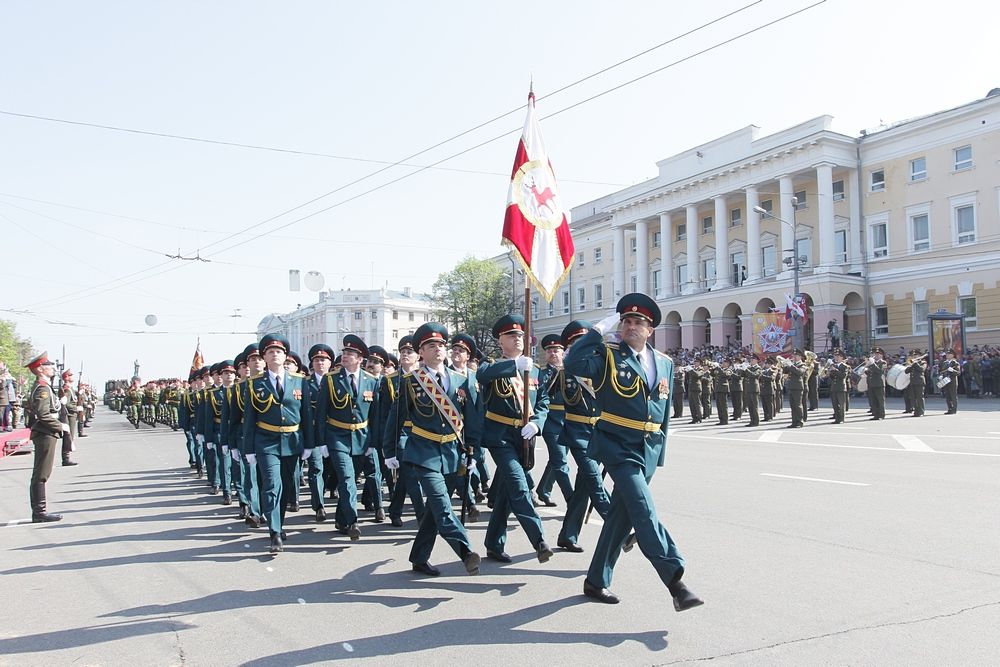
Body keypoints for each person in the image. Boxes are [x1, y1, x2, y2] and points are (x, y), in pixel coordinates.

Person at [565, 293, 702, 611]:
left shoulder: (665, 363)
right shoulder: (608, 354)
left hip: (648, 450)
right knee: (643, 510)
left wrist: (660, 454)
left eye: (638, 322)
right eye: (626, 320)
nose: (630, 325)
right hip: (617, 446)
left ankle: (596, 581)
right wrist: (597, 331)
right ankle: (676, 582)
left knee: (620, 517)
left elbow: (662, 413)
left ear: (650, 329)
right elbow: (573, 364)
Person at [384, 322, 482, 577]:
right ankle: (466, 552)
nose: (437, 349)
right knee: (442, 505)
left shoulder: (463, 379)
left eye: (440, 345)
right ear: (421, 353)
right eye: (430, 346)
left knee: (433, 512)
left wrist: (472, 452)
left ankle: (419, 557)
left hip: (452, 453)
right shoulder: (411, 381)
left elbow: (472, 419)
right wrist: (390, 451)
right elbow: (396, 418)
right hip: (423, 453)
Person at [477, 314, 553, 564]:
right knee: (520, 486)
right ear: (501, 341)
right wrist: (514, 366)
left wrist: (536, 423)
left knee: (506, 495)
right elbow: (482, 375)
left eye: (520, 335)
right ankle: (539, 540)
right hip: (500, 438)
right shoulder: (493, 366)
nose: (518, 339)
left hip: (525, 437)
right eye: (511, 336)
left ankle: (494, 544)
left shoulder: (534, 369)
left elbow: (543, 401)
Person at [242, 334, 313, 553]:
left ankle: (279, 522)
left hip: (292, 441)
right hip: (266, 442)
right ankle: (274, 532)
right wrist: (249, 449)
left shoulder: (300, 381)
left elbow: (306, 415)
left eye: (279, 352)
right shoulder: (254, 384)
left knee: (286, 485)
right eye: (270, 352)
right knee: (272, 485)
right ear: (264, 357)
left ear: (286, 356)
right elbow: (250, 419)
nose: (275, 355)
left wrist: (309, 444)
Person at [555, 320, 611, 553]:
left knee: (584, 487)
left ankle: (568, 535)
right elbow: (545, 398)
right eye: (578, 344)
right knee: (595, 482)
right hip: (577, 434)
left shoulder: (602, 368)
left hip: (599, 433)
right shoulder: (566, 372)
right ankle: (618, 523)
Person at [315, 334, 378, 540]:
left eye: (351, 353)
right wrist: (322, 441)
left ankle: (341, 520)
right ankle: (353, 521)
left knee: (350, 481)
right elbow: (321, 412)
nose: (345, 356)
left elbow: (375, 416)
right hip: (337, 437)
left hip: (362, 437)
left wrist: (373, 442)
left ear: (360, 359)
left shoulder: (372, 381)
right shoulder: (331, 379)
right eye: (344, 353)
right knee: (347, 478)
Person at [24, 352, 68, 522]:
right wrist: (59, 426)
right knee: (42, 473)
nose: (52, 368)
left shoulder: (44, 386)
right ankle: (39, 512)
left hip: (46, 432)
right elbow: (43, 413)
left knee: (42, 472)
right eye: (49, 366)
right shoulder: (42, 387)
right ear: (40, 369)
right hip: (45, 433)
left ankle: (39, 511)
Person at [536, 334, 572, 508]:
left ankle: (543, 490)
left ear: (563, 352)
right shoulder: (541, 374)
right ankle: (572, 502)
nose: (553, 353)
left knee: (557, 459)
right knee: (561, 461)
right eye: (549, 350)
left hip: (570, 421)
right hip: (551, 422)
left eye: (556, 350)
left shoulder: (571, 371)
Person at [304, 343, 334, 522]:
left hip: (334, 432)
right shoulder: (304, 383)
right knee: (316, 468)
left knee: (331, 469)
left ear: (330, 363)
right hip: (314, 432)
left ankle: (329, 490)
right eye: (316, 360)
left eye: (323, 360)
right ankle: (319, 505)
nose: (320, 363)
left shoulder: (337, 380)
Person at [828, 350, 850, 423]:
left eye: (838, 356)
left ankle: (841, 419)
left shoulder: (845, 366)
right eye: (835, 356)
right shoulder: (834, 365)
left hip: (841, 387)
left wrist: (836, 370)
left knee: (841, 405)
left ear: (842, 357)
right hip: (834, 387)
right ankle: (837, 418)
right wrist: (830, 372)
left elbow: (843, 376)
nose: (836, 358)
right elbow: (831, 377)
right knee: (835, 404)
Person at [941, 349, 961, 414]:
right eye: (947, 354)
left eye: (949, 354)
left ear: (952, 355)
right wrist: (941, 376)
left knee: (953, 396)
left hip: (952, 381)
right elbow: (942, 371)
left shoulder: (955, 363)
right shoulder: (944, 363)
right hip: (945, 381)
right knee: (947, 396)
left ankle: (954, 409)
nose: (947, 355)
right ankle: (949, 408)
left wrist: (952, 370)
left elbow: (958, 373)